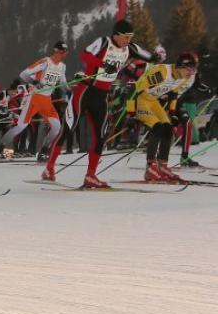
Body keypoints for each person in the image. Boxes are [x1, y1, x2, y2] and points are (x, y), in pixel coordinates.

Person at [46, 20, 155, 188]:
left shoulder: (131, 47)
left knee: (100, 137)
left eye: (130, 37)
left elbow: (150, 57)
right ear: (116, 35)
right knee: (67, 129)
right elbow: (85, 55)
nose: (128, 40)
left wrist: (157, 60)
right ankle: (49, 169)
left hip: (102, 96)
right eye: (125, 37)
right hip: (85, 92)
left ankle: (90, 176)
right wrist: (103, 64)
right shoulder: (104, 42)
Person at [1, 42, 69, 181]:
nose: (62, 55)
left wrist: (71, 88)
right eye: (61, 52)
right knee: (21, 126)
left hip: (47, 100)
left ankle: (44, 151)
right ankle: (1, 145)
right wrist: (35, 82)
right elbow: (24, 74)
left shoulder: (62, 66)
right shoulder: (45, 62)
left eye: (64, 53)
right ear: (55, 51)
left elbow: (63, 82)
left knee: (56, 127)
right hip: (35, 98)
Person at [135, 53, 198, 182]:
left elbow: (173, 95)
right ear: (180, 66)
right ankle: (150, 168)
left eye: (193, 70)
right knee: (158, 127)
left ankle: (162, 166)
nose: (191, 73)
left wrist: (173, 113)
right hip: (140, 100)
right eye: (189, 69)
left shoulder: (182, 77)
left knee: (168, 129)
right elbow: (137, 87)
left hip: (153, 101)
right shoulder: (163, 72)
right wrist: (131, 110)